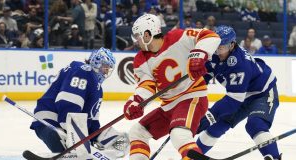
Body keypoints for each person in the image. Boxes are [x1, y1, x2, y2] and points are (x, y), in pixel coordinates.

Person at [124, 14, 221, 160]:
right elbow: (146, 85)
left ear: (147, 34)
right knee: (137, 132)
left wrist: (199, 55)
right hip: (168, 106)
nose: (135, 40)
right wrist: (136, 101)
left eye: (137, 35)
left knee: (179, 134)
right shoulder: (140, 59)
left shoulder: (178, 37)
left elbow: (210, 36)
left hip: (191, 97)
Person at [196, 25, 282, 160]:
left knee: (255, 124)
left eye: (222, 46)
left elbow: (234, 99)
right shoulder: (214, 53)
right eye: (216, 45)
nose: (218, 50)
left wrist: (210, 115)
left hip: (262, 92)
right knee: (215, 128)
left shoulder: (239, 64)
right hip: (241, 94)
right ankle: (191, 155)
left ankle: (274, 157)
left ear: (231, 45)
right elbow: (204, 76)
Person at [30, 48, 129, 158]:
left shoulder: (97, 88)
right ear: (96, 62)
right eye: (105, 66)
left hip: (64, 127)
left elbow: (91, 122)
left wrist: (104, 137)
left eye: (109, 68)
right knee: (78, 155)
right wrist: (74, 134)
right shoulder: (83, 71)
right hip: (50, 123)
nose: (106, 71)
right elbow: (68, 102)